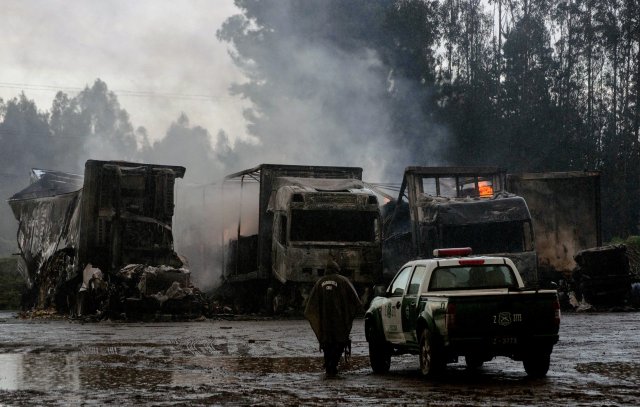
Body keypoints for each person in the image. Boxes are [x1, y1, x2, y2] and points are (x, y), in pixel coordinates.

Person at [304, 260, 362, 376]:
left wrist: (318, 319)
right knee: (339, 342)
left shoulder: (319, 283)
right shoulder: (344, 281)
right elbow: (356, 301)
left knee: (326, 343)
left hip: (325, 323)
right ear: (337, 269)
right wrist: (349, 315)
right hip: (340, 322)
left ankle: (329, 365)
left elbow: (311, 306)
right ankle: (333, 364)